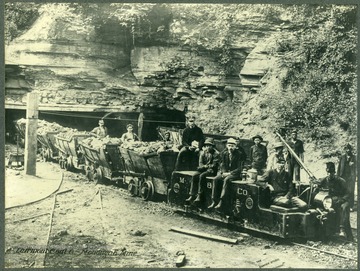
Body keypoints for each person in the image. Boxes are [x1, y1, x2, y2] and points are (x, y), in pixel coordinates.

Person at [314, 162, 352, 240]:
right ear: (326, 172)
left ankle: (342, 229)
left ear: (334, 173)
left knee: (344, 208)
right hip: (330, 201)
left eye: (331, 173)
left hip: (342, 200)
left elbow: (348, 194)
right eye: (328, 173)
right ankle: (327, 233)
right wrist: (315, 185)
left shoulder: (341, 181)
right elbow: (317, 186)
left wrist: (342, 199)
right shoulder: (324, 180)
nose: (330, 175)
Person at [208, 138, 247, 209]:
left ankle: (221, 201)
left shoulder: (239, 154)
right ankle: (214, 200)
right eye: (229, 146)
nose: (230, 148)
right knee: (216, 179)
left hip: (235, 174)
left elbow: (239, 168)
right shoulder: (224, 153)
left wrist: (229, 173)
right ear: (227, 146)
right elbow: (222, 164)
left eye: (232, 146)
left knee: (226, 180)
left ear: (235, 146)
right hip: (225, 172)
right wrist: (223, 172)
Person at [186, 138, 220, 203]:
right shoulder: (203, 153)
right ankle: (192, 194)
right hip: (204, 169)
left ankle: (199, 195)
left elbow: (214, 165)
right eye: (206, 146)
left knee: (202, 176)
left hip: (212, 171)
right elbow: (200, 163)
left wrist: (205, 166)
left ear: (212, 146)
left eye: (209, 146)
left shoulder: (216, 154)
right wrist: (205, 166)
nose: (207, 147)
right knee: (195, 175)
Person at [337, 144, 357, 211]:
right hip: (343, 176)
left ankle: (351, 206)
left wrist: (355, 176)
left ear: (351, 150)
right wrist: (338, 176)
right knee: (342, 190)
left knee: (350, 191)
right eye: (346, 149)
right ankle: (343, 204)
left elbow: (356, 168)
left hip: (350, 177)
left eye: (349, 149)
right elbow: (339, 167)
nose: (348, 150)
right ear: (345, 149)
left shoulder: (354, 157)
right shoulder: (342, 157)